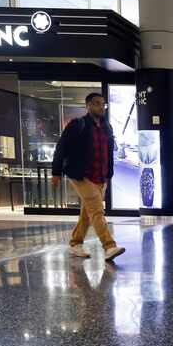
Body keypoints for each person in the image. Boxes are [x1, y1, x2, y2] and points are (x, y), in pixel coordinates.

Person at [51, 92, 125, 262]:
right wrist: (56, 172)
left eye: (103, 104)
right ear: (88, 106)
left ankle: (75, 244)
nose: (101, 107)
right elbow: (61, 147)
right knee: (97, 210)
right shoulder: (78, 124)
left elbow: (109, 153)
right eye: (97, 104)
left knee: (88, 212)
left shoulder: (107, 127)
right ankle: (109, 246)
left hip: (99, 176)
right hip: (81, 175)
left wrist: (108, 174)